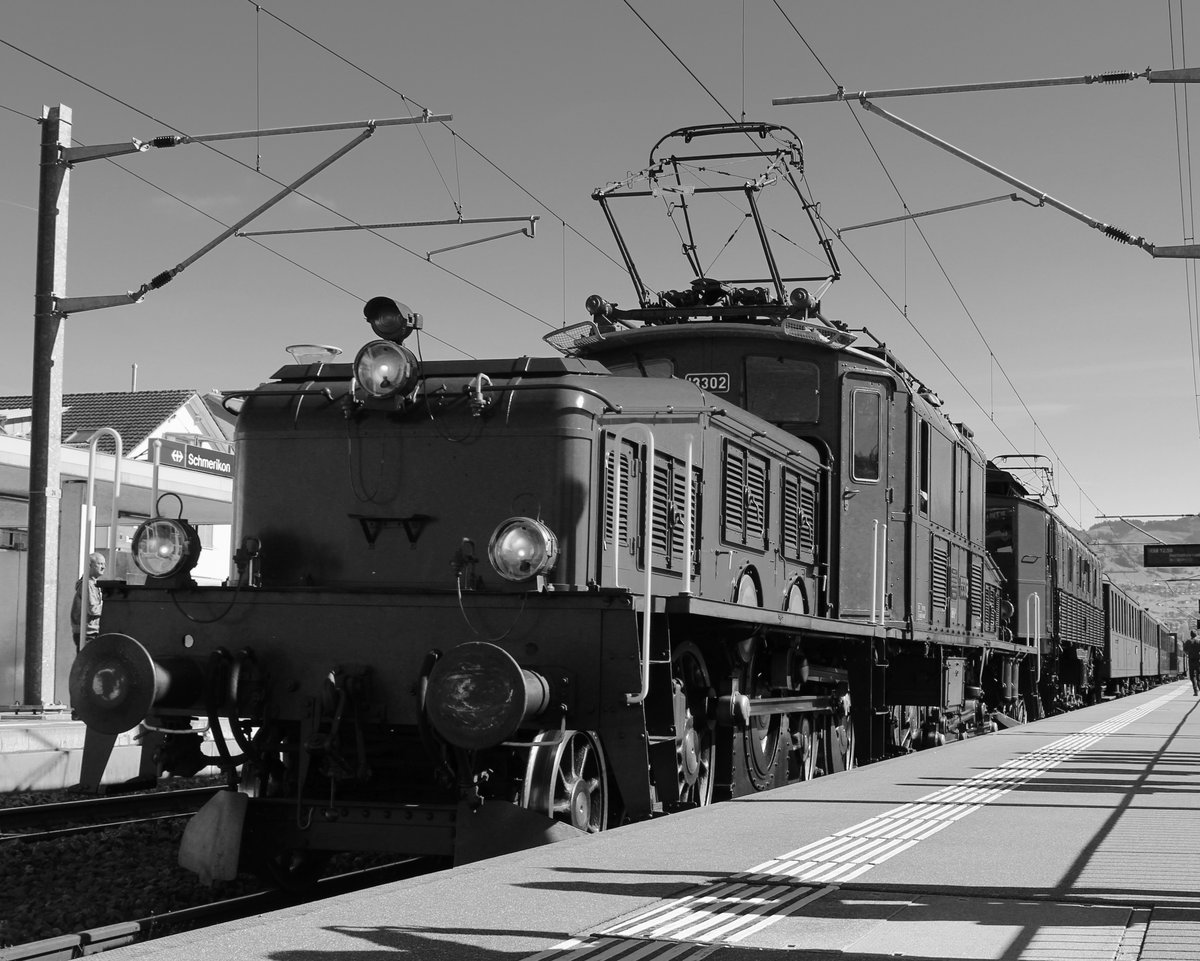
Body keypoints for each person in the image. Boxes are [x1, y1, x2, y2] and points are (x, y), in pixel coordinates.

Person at [70, 552, 106, 652]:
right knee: (87, 664)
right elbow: (93, 609)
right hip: (87, 632)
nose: (103, 567)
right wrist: (109, 608)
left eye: (104, 564)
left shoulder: (92, 584)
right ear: (89, 565)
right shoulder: (88, 584)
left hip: (88, 631)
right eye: (100, 564)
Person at [1185, 631, 1200, 696]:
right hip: (1198, 660)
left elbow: (1185, 650)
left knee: (1192, 676)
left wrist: (1189, 654)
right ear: (1196, 635)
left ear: (1190, 635)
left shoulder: (1188, 641)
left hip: (1191, 660)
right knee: (1198, 676)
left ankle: (1195, 691)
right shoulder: (1198, 641)